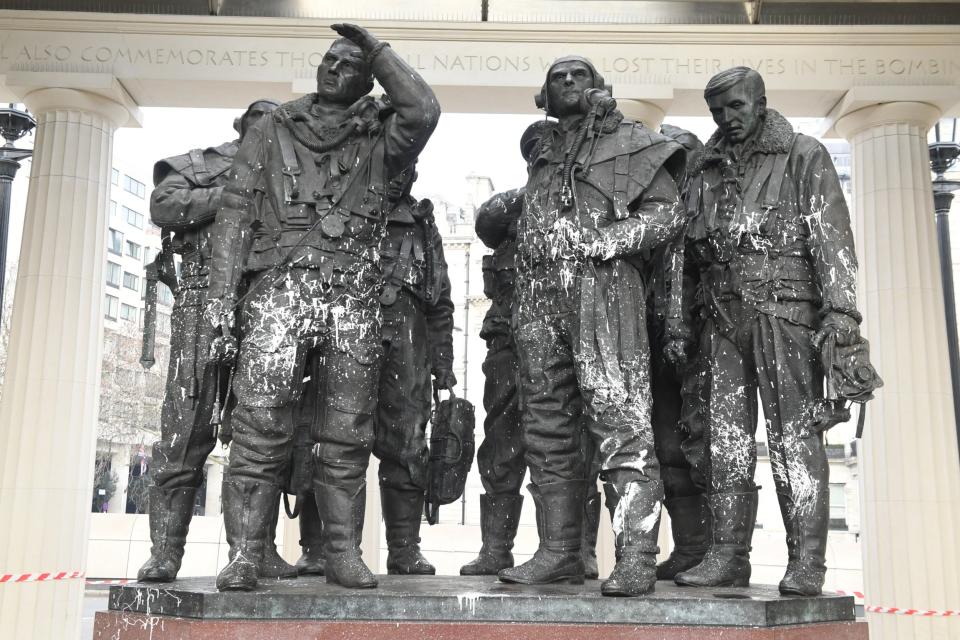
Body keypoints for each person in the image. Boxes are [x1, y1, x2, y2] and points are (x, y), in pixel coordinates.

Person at [205, 23, 439, 591]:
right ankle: (245, 554)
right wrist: (220, 299)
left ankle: (341, 551)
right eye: (329, 61)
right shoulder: (271, 127)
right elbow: (234, 214)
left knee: (348, 431)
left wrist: (378, 49)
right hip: (277, 292)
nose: (334, 70)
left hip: (353, 295)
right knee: (259, 426)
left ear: (367, 81)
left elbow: (424, 109)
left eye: (350, 66)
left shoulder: (384, 135)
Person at [497, 56, 684, 597]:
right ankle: (557, 552)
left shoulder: (634, 139)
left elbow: (667, 215)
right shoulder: (545, 151)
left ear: (599, 85)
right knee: (546, 426)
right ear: (545, 96)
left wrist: (606, 241)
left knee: (620, 420)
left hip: (603, 290)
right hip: (539, 297)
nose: (570, 83)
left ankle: (635, 558)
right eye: (558, 78)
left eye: (580, 74)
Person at [674, 67, 862, 596]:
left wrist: (842, 317)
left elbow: (833, 242)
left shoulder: (804, 155)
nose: (726, 119)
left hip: (786, 314)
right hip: (721, 317)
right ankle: (729, 554)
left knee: (794, 440)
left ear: (760, 101)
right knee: (726, 444)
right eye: (716, 112)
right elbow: (686, 255)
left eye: (735, 107)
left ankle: (807, 561)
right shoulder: (704, 169)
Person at [138, 99, 282, 583]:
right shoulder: (202, 165)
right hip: (201, 303)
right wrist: (236, 193)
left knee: (262, 436)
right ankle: (165, 552)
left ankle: (253, 552)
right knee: (184, 430)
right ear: (241, 127)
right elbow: (164, 206)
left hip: (266, 306)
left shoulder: (293, 176)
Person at [294, 168, 456, 577]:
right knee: (331, 443)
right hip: (342, 342)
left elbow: (440, 304)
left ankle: (404, 548)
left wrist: (444, 368)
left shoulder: (423, 227)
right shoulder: (336, 210)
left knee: (407, 449)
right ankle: (320, 548)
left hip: (408, 351)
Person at [461, 123, 602, 580]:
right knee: (502, 439)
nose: (546, 152)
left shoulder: (585, 201)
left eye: (553, 146)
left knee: (576, 445)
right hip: (509, 342)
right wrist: (541, 186)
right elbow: (486, 219)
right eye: (536, 149)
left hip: (569, 339)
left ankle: (578, 549)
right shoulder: (514, 209)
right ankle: (495, 547)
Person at [648, 124, 712, 580]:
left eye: (679, 159)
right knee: (667, 448)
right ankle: (690, 548)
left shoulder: (711, 207)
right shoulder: (653, 211)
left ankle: (718, 549)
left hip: (704, 339)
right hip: (655, 342)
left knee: (705, 447)